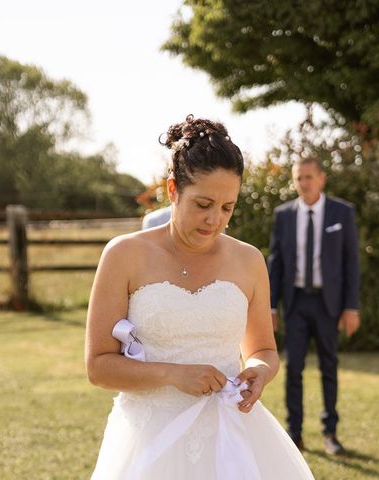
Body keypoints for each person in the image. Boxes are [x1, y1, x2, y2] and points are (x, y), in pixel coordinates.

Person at [86, 115, 315, 479]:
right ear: (173, 189)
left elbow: (263, 350)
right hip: (148, 437)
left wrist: (259, 371)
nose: (215, 220)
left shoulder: (249, 260)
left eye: (228, 208)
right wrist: (173, 374)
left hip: (231, 438)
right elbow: (98, 366)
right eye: (203, 204)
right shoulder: (123, 255)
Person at [267, 156, 360, 455]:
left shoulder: (341, 213)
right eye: (298, 178)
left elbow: (351, 263)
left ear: (322, 178)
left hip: (328, 303)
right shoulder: (284, 215)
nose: (303, 183)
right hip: (295, 302)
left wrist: (351, 306)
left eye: (308, 177)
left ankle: (330, 432)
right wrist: (270, 308)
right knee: (293, 368)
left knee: (328, 366)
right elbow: (276, 263)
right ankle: (295, 434)